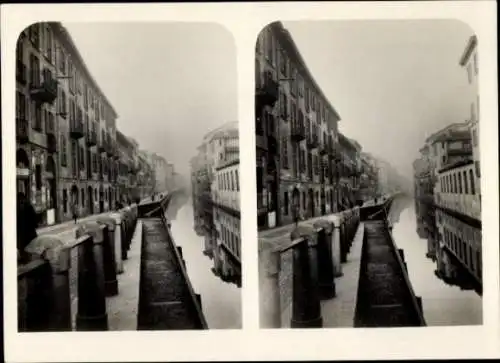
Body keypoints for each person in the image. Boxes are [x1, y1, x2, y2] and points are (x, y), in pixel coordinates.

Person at [17, 192, 38, 262]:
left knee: (27, 249)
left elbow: (34, 218)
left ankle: (27, 261)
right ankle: (25, 259)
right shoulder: (21, 207)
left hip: (27, 233)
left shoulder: (28, 207)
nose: (20, 201)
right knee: (24, 248)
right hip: (24, 233)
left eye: (21, 199)